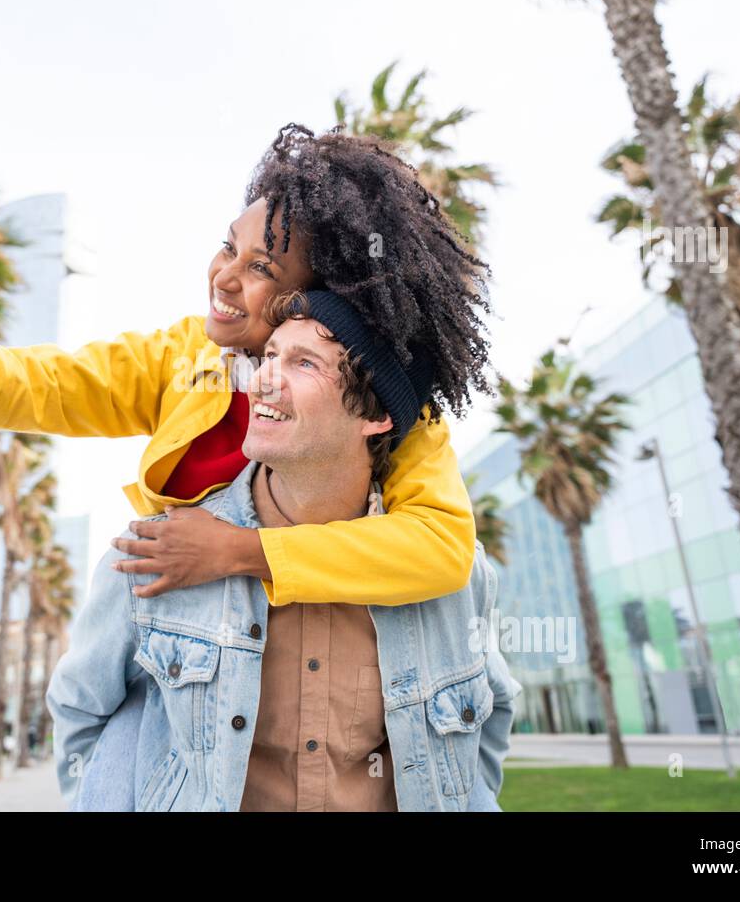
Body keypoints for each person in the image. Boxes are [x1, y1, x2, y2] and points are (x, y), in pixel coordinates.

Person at [0, 123, 492, 608]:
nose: (223, 277)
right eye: (227, 247)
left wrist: (237, 552)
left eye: (260, 267)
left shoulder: (373, 400)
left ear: (319, 295)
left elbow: (438, 546)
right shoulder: (183, 359)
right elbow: (9, 386)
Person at [47, 290, 521, 811]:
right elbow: (81, 708)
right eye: (268, 355)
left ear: (377, 415)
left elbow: (490, 715)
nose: (263, 379)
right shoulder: (160, 550)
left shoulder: (455, 574)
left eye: (304, 363)